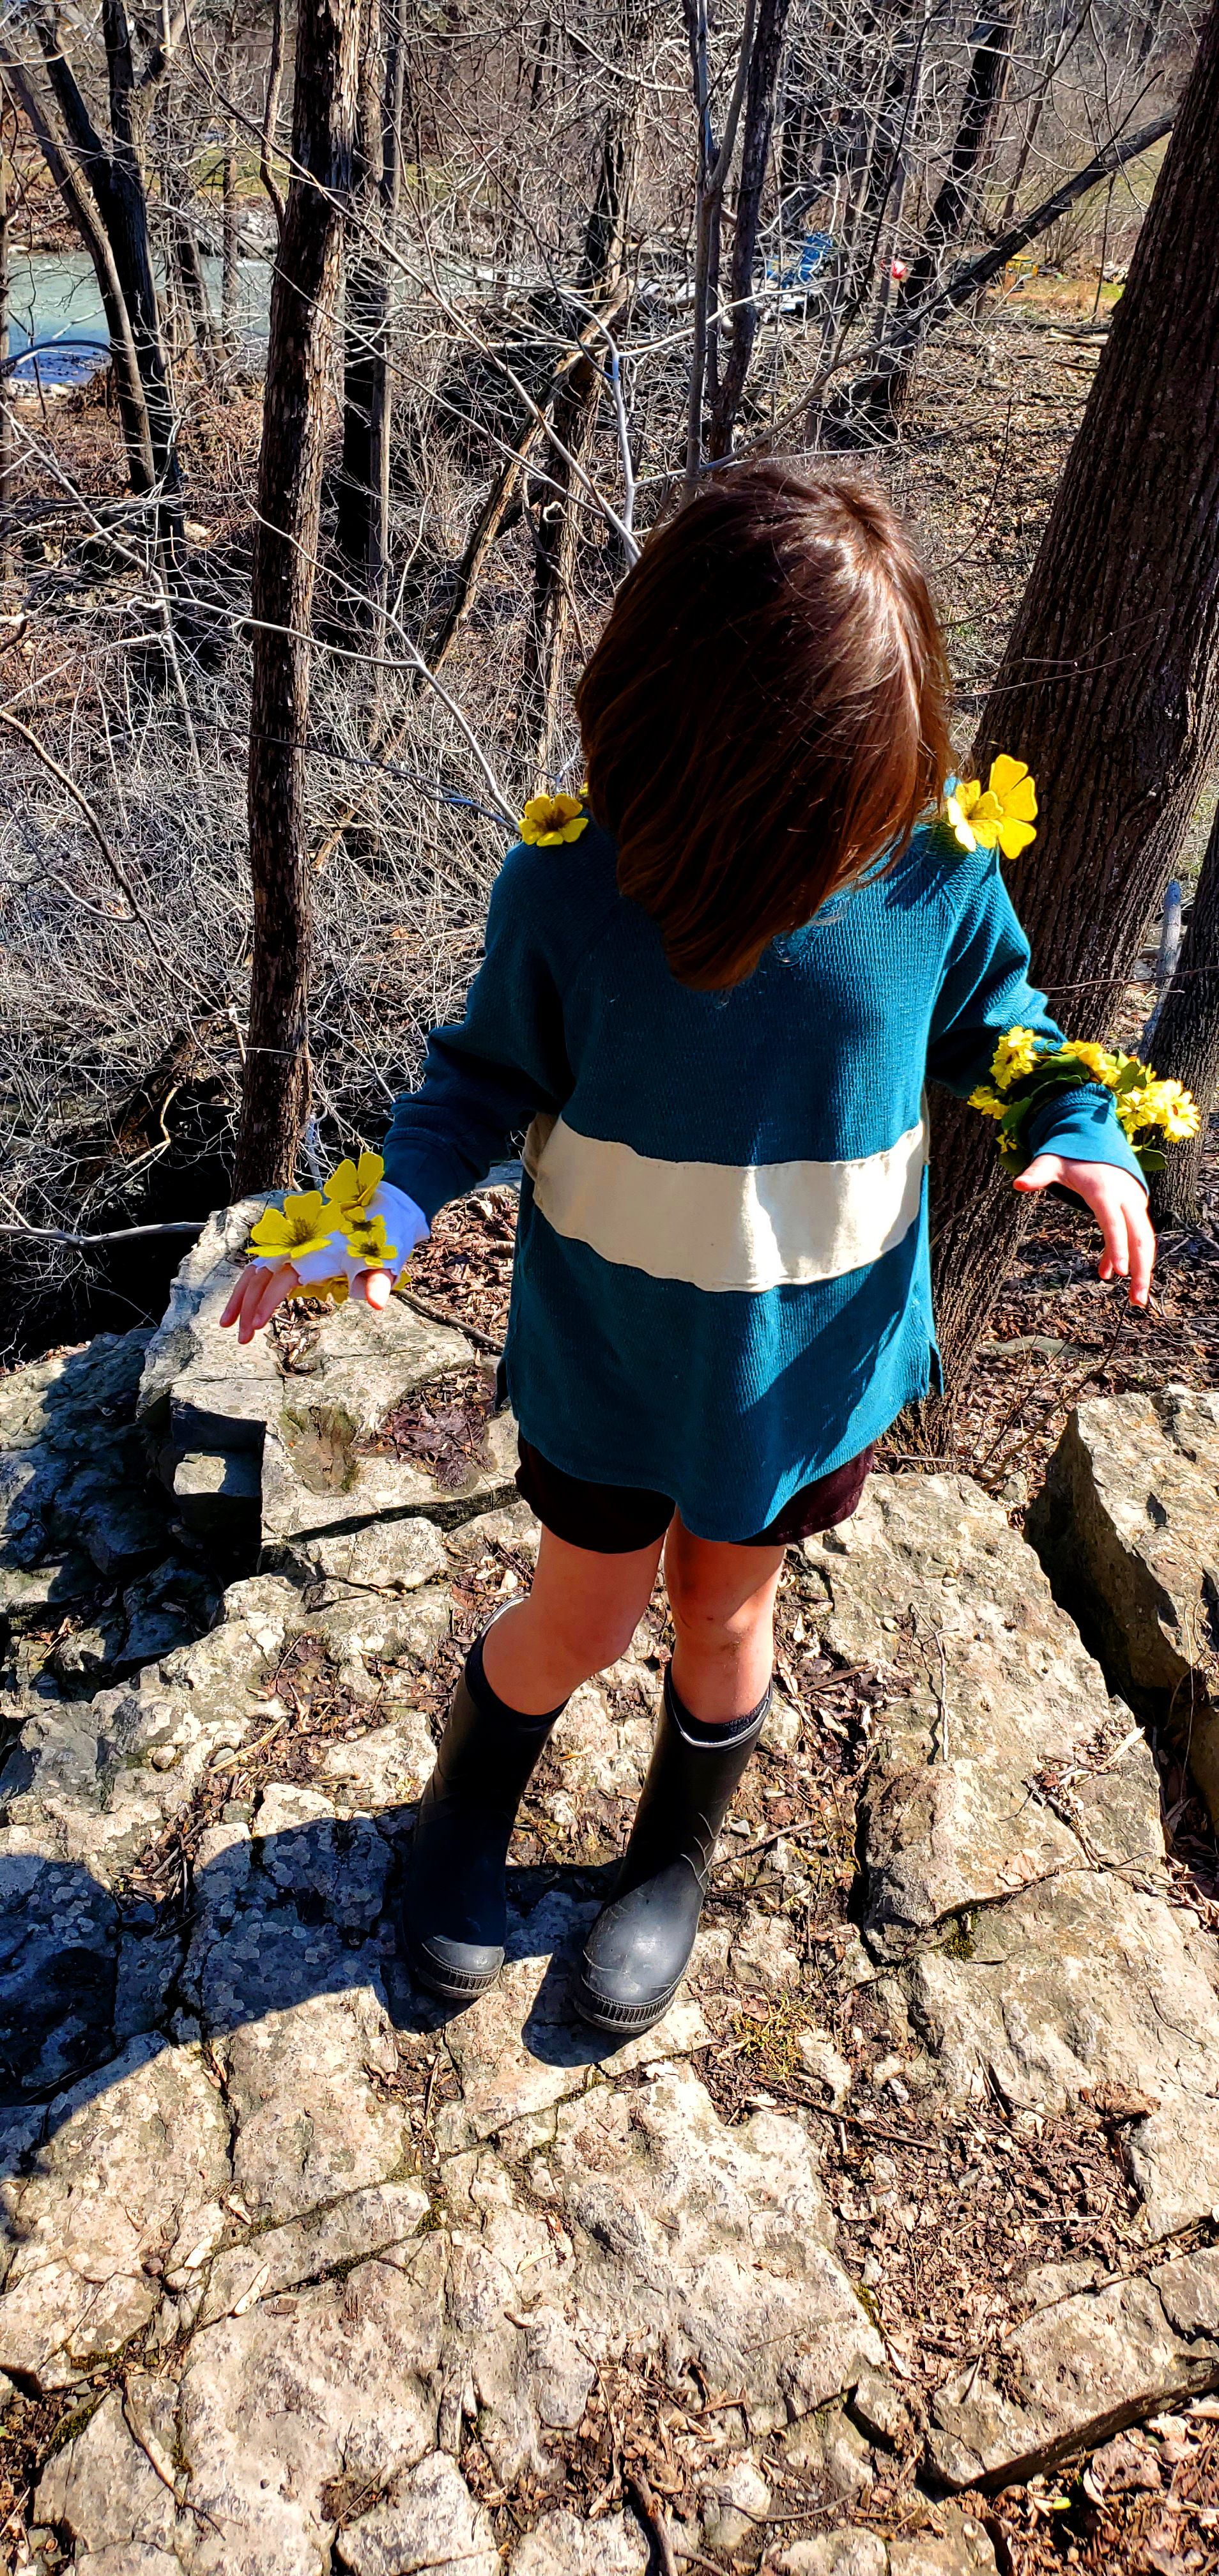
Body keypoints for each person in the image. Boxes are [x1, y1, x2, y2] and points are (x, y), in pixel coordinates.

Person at [222, 463, 1154, 2038]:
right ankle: (467, 1809)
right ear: (687, 746)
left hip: (807, 1369)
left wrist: (1080, 1120)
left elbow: (1003, 1018)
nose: (845, 839)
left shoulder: (934, 865)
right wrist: (386, 1204)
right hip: (613, 1360)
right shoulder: (578, 884)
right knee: (582, 1615)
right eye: (820, 803)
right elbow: (485, 1073)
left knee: (728, 1615)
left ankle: (671, 1855)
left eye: (878, 784)